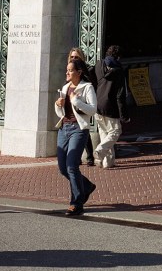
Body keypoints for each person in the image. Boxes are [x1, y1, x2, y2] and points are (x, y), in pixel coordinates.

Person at [55, 57, 98, 216]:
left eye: (70, 70)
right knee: (62, 168)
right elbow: (62, 113)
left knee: (72, 166)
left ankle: (77, 203)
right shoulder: (65, 87)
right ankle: (86, 186)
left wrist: (76, 102)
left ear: (79, 72)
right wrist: (58, 105)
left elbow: (93, 110)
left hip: (79, 130)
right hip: (64, 128)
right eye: (67, 70)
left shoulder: (87, 87)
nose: (67, 72)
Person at [93, 45, 128, 168]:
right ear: (118, 57)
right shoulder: (119, 71)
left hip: (98, 103)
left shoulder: (98, 65)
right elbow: (120, 95)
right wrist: (124, 115)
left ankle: (108, 162)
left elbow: (93, 81)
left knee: (104, 133)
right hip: (111, 106)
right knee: (115, 131)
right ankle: (100, 150)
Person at [67, 48, 98, 165]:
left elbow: (92, 85)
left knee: (83, 129)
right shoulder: (69, 69)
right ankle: (78, 156)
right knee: (78, 130)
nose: (74, 59)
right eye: (72, 57)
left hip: (82, 103)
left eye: (76, 57)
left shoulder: (87, 70)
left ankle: (89, 156)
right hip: (71, 102)